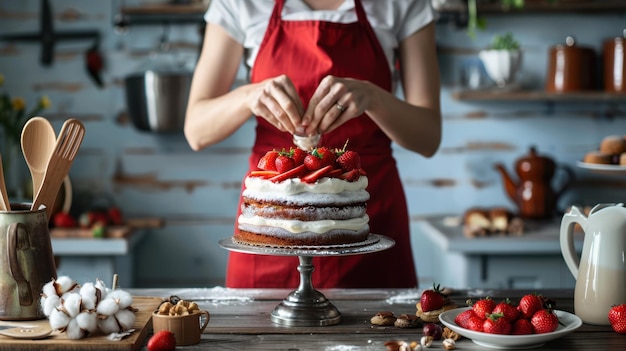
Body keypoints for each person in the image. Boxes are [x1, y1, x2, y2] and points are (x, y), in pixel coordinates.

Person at [184, 0, 442, 289]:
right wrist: (247, 96)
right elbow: (197, 130)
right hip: (272, 218)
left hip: (367, 211)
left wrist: (373, 97)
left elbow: (428, 137)